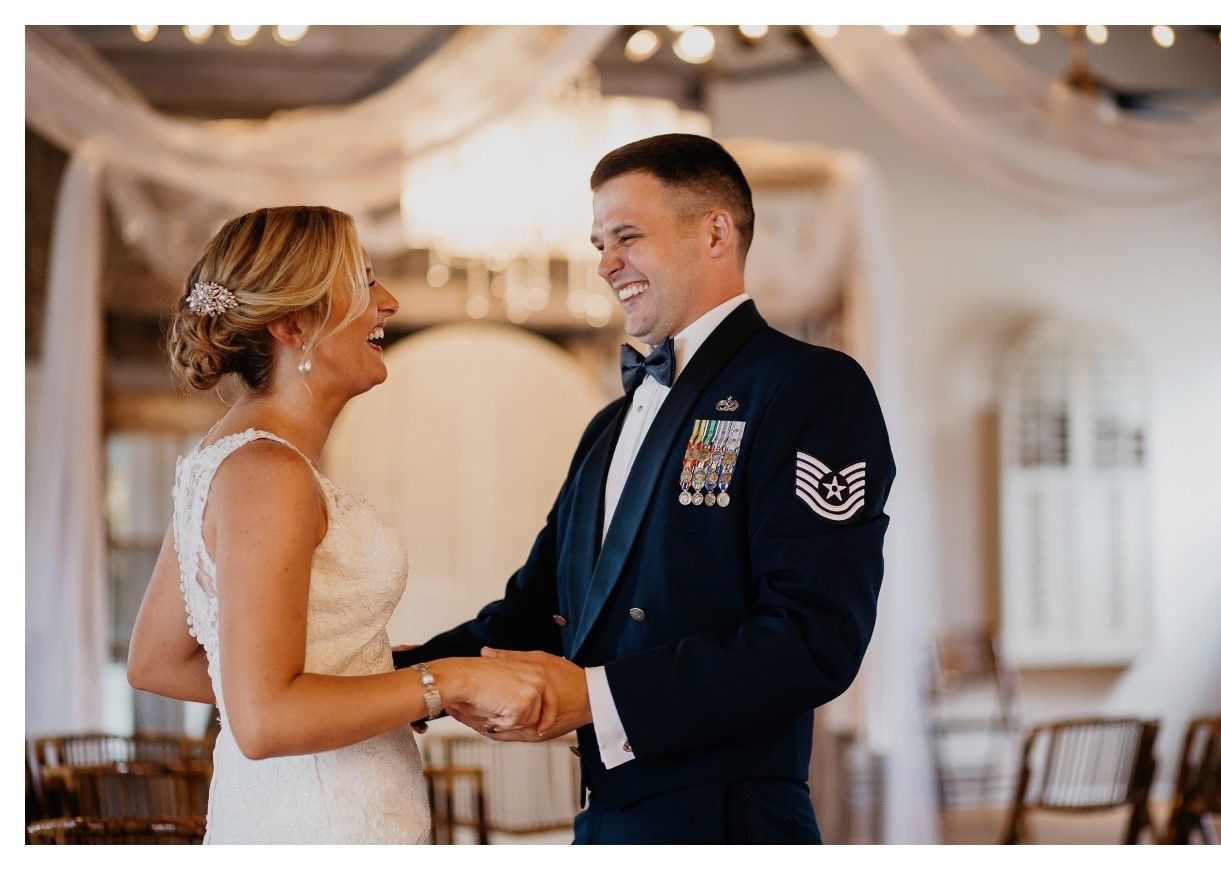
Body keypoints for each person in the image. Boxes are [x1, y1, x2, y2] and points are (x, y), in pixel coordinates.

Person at [394, 134, 895, 844]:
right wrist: (384, 683)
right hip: (606, 822)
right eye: (599, 242)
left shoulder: (808, 387)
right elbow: (530, 616)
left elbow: (816, 638)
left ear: (716, 231)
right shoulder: (608, 425)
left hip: (729, 826)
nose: (605, 264)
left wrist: (593, 696)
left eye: (627, 236)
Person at [127, 205, 556, 844]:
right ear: (292, 323)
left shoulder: (232, 454)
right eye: (362, 283)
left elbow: (158, 663)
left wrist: (363, 689)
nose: (387, 302)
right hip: (323, 828)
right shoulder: (267, 473)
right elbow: (265, 719)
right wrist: (444, 683)